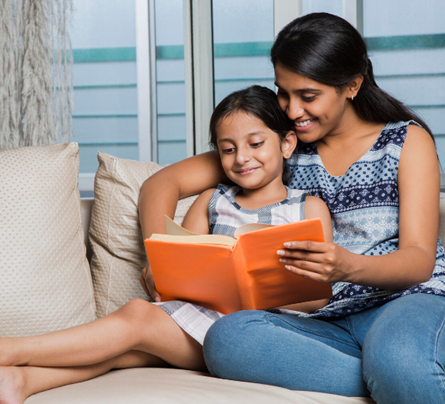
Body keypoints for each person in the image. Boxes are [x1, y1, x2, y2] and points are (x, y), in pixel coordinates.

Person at [139, 13, 445, 404]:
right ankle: (412, 380)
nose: (292, 110)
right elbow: (161, 183)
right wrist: (161, 257)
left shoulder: (405, 141)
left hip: (411, 301)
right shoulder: (282, 145)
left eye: (307, 96)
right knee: (227, 338)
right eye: (283, 93)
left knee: (397, 358)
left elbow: (418, 261)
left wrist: (347, 266)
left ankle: (402, 369)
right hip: (328, 320)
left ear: (352, 85)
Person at [0, 86, 332, 404]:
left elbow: (320, 294)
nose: (241, 158)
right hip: (204, 319)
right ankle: (21, 381)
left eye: (256, 144)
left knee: (137, 318)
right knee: (130, 349)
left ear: (287, 144)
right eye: (228, 149)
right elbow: (179, 265)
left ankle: (14, 349)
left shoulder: (308, 209)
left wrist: (261, 294)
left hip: (261, 333)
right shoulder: (211, 201)